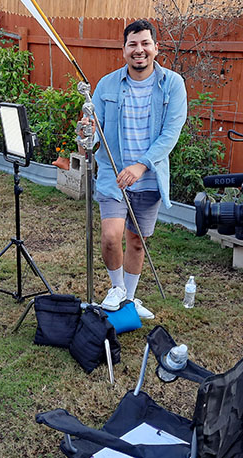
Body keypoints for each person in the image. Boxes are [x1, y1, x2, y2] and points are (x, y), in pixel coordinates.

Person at [78, 19, 187, 319]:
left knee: (137, 242)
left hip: (149, 177)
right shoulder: (107, 85)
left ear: (155, 47)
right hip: (114, 176)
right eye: (132, 45)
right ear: (123, 49)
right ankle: (117, 289)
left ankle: (130, 298)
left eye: (145, 44)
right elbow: (93, 134)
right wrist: (85, 132)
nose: (139, 50)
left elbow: (170, 133)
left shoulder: (173, 85)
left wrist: (141, 166)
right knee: (112, 237)